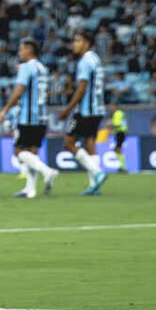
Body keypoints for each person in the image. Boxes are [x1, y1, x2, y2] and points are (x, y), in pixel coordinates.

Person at [0, 40, 58, 199]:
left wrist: (5, 110)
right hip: (42, 116)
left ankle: (47, 171)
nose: (19, 52)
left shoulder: (26, 67)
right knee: (32, 153)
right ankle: (30, 190)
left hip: (28, 116)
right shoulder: (42, 68)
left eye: (21, 49)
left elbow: (18, 92)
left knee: (19, 152)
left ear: (29, 50)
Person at [57, 30, 108, 196]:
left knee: (68, 142)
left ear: (86, 43)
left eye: (77, 41)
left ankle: (97, 172)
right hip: (98, 110)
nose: (74, 44)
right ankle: (95, 186)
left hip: (84, 111)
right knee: (89, 143)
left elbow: (81, 90)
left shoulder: (85, 62)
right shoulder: (96, 59)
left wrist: (67, 109)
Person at [107, 103, 128, 172]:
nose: (110, 108)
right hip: (121, 133)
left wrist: (109, 125)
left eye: (111, 106)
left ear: (115, 106)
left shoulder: (117, 114)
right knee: (117, 149)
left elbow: (117, 125)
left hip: (120, 133)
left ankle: (123, 167)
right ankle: (122, 167)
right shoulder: (121, 113)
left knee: (117, 149)